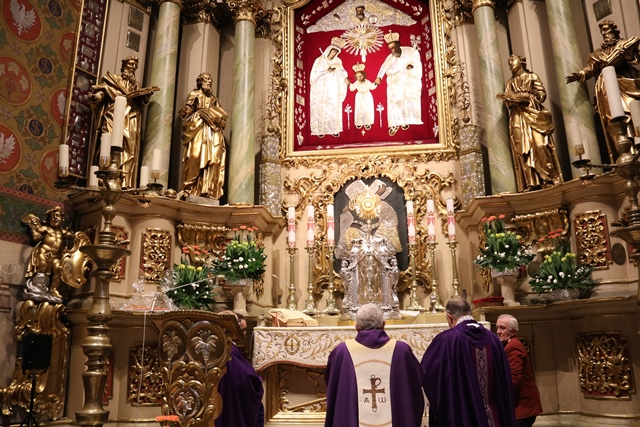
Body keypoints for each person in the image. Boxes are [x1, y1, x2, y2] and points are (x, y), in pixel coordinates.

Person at [324, 303, 424, 427]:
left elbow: (333, 387)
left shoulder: (342, 352)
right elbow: (415, 386)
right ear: (383, 325)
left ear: (357, 327)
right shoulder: (402, 351)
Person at [421, 298, 515, 427]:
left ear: (449, 317)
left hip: (460, 418)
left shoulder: (446, 340)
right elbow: (504, 381)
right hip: (492, 419)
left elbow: (428, 374)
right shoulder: (493, 339)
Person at [566, 20, 640, 162]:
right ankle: (623, 155)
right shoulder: (598, 53)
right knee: (613, 119)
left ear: (614, 30)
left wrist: (627, 56)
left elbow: (636, 59)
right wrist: (579, 75)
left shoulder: (622, 44)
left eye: (607, 30)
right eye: (603, 31)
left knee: (632, 114)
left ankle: (636, 151)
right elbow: (590, 69)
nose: (605, 33)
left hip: (626, 83)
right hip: (607, 89)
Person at [89, 56, 159, 188]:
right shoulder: (113, 80)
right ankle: (105, 176)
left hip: (131, 118)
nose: (133, 67)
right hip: (113, 115)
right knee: (108, 141)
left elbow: (141, 102)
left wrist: (146, 96)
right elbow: (103, 91)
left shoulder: (136, 86)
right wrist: (96, 97)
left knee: (129, 149)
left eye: (135, 65)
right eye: (130, 64)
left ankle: (125, 181)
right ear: (124, 66)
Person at [497, 54, 562, 192]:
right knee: (522, 150)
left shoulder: (532, 77)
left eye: (512, 59)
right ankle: (531, 182)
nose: (510, 63)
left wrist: (526, 97)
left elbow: (541, 95)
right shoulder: (510, 83)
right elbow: (508, 102)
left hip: (534, 116)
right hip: (517, 118)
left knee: (540, 145)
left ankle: (548, 179)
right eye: (508, 61)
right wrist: (512, 100)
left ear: (521, 61)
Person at [179, 72, 228, 199]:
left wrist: (221, 122)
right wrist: (184, 112)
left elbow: (221, 116)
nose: (209, 81)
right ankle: (189, 188)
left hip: (212, 132)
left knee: (213, 160)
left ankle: (208, 190)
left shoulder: (214, 99)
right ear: (200, 81)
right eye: (207, 79)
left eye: (210, 79)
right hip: (198, 127)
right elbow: (188, 110)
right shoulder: (194, 94)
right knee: (195, 156)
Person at [216, 310, 264, 427]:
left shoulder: (222, 346)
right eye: (240, 329)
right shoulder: (229, 350)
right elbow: (246, 378)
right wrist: (256, 381)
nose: (243, 333)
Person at [496, 314, 543, 427]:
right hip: (518, 407)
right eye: (497, 327)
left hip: (522, 407)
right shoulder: (506, 345)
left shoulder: (514, 347)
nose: (498, 332)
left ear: (513, 331)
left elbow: (514, 380)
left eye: (502, 328)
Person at [22, 206, 76, 301]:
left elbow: (73, 236)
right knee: (41, 269)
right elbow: (35, 229)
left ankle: (53, 289)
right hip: (44, 253)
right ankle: (38, 290)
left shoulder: (63, 232)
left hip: (56, 256)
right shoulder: (46, 229)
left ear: (62, 219)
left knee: (58, 269)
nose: (55, 218)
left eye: (58, 216)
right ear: (49, 219)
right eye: (53, 216)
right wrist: (34, 232)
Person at [375, 32, 423, 136]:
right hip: (395, 83)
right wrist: (379, 77)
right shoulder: (390, 57)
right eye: (390, 49)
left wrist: (412, 66)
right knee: (395, 102)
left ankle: (405, 120)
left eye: (394, 48)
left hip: (408, 80)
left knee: (408, 101)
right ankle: (395, 124)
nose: (393, 50)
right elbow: (384, 67)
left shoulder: (410, 51)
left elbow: (416, 61)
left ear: (398, 45)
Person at [310, 37, 348, 137]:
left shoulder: (338, 61)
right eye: (332, 52)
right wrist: (326, 71)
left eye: (335, 53)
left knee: (333, 108)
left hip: (333, 87)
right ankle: (320, 130)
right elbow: (314, 74)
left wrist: (341, 74)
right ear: (329, 50)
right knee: (322, 108)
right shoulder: (320, 60)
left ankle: (334, 129)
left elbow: (343, 72)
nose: (333, 54)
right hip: (322, 88)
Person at [347, 64, 377, 130]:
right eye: (357, 77)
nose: (359, 78)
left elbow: (372, 87)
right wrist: (349, 83)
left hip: (367, 96)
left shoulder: (367, 82)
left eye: (360, 76)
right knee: (359, 109)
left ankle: (367, 123)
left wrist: (375, 83)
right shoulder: (356, 82)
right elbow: (352, 88)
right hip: (359, 97)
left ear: (363, 75)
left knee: (367, 109)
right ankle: (359, 122)